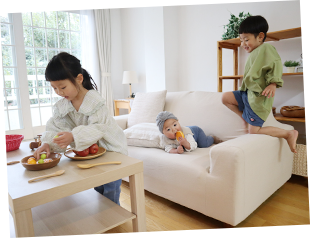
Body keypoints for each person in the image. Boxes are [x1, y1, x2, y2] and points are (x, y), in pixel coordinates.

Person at [33, 52, 127, 205]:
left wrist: (74, 136)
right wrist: (47, 143)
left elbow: (98, 127)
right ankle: (103, 212)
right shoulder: (63, 106)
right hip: (90, 152)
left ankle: (113, 215)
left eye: (62, 87)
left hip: (111, 148)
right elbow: (55, 126)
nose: (59, 92)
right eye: (54, 88)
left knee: (111, 187)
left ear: (79, 79)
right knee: (98, 185)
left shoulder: (95, 101)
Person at [221, 15, 298, 153]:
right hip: (247, 93)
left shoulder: (267, 49)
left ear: (260, 37)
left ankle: (288, 134)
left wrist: (273, 84)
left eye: (246, 39)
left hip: (257, 98)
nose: (243, 44)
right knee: (225, 98)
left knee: (254, 131)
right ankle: (246, 117)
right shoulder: (255, 52)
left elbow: (275, 65)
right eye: (241, 40)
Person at [156, 111, 222, 154]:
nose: (174, 129)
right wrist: (176, 151)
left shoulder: (186, 133)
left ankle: (212, 138)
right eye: (168, 129)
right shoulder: (165, 139)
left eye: (175, 125)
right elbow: (168, 148)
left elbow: (193, 145)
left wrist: (186, 144)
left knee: (203, 144)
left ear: (178, 121)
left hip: (196, 132)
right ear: (163, 133)